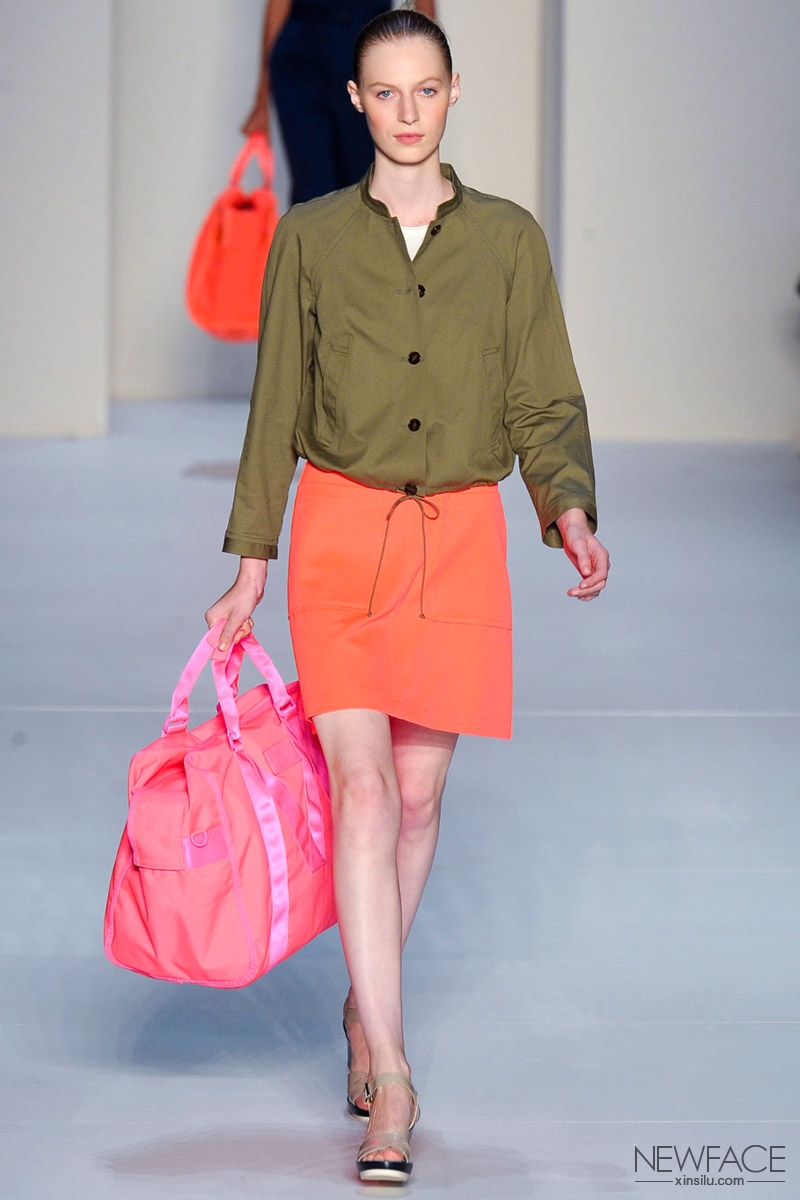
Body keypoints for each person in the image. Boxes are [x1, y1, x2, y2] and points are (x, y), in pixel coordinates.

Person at [208, 9, 609, 1184]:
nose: (405, 112)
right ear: (354, 102)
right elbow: (276, 403)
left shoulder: (509, 241)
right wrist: (250, 559)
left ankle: (359, 999)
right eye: (383, 93)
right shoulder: (311, 239)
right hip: (340, 534)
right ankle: (389, 1068)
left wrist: (566, 507)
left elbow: (542, 395)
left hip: (458, 539)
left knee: (420, 798)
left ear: (451, 92)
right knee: (363, 788)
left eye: (423, 90)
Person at [242, 0, 437, 204]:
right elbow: (279, 4)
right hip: (302, 63)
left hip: (369, 56)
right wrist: (262, 100)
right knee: (312, 187)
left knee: (365, 184)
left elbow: (424, 5)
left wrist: (426, 78)